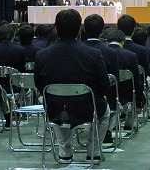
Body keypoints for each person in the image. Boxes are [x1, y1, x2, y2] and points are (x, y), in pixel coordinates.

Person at [34, 9, 110, 163]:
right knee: (105, 111)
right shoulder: (93, 54)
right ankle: (93, 152)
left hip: (55, 109)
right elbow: (104, 87)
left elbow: (39, 85)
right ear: (79, 28)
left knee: (58, 104)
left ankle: (65, 152)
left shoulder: (42, 55)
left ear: (56, 27)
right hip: (88, 109)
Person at [83, 14, 119, 147]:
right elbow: (115, 81)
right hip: (102, 98)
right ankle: (103, 137)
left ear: (85, 30)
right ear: (102, 30)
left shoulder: (80, 50)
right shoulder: (110, 52)